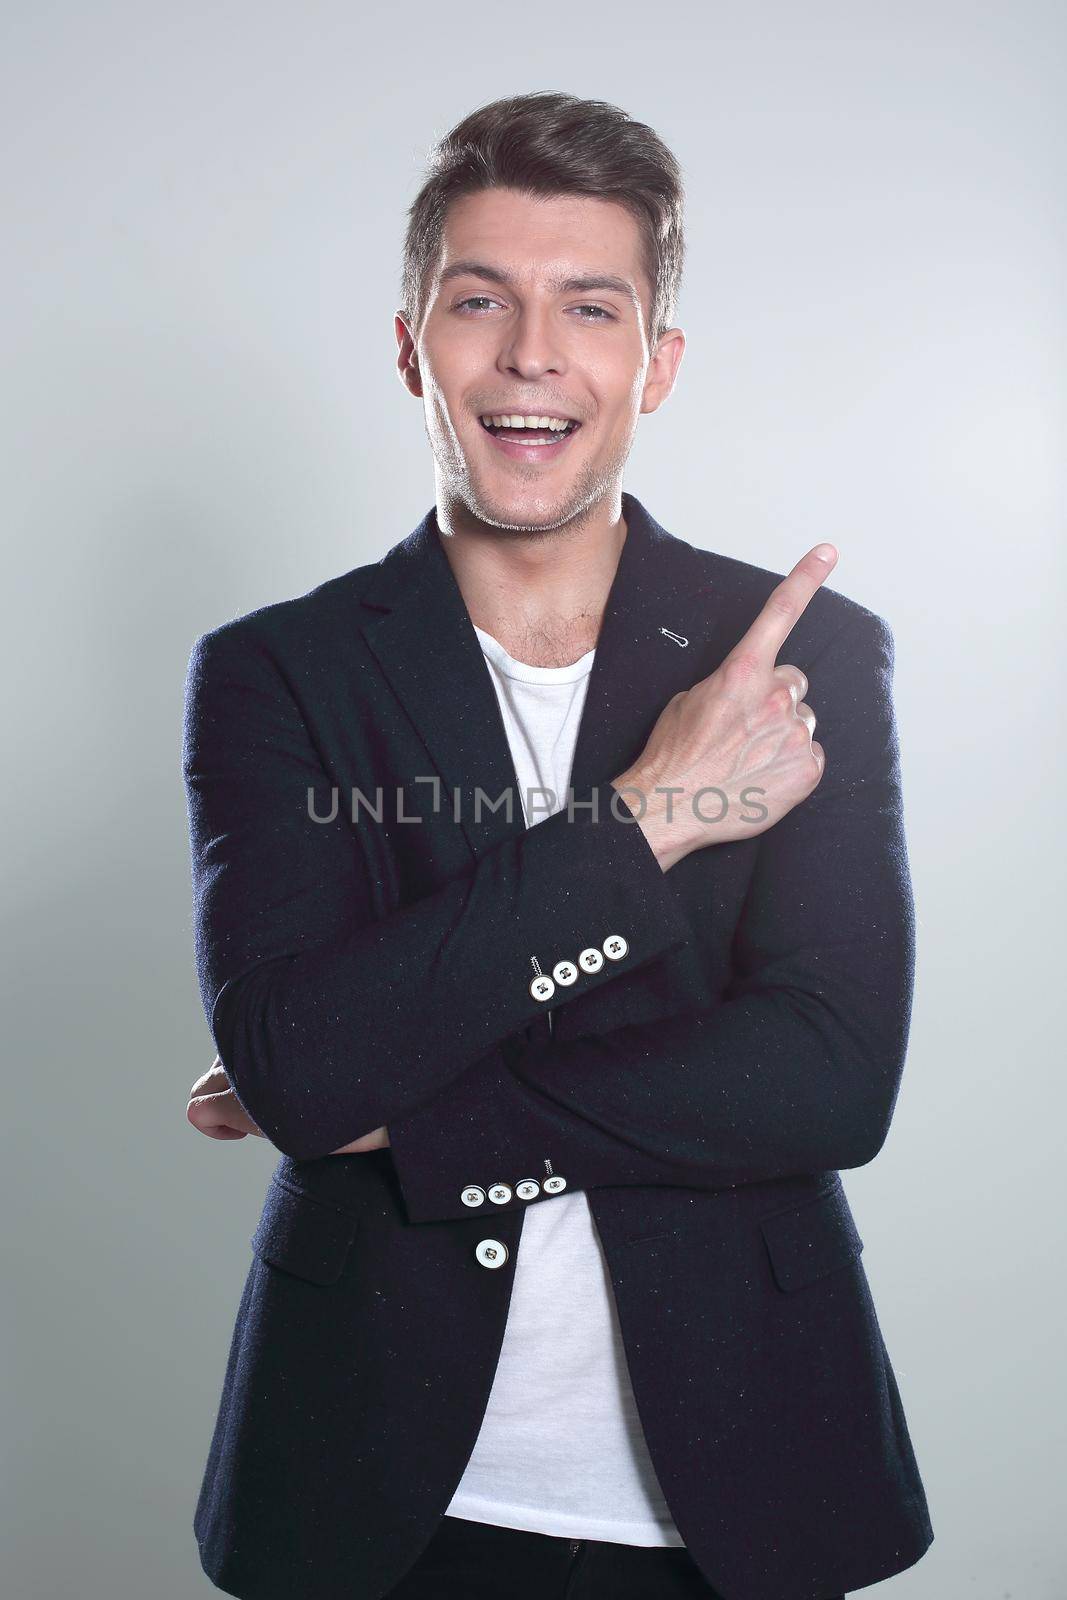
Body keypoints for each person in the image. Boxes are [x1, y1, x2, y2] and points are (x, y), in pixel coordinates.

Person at [182, 91, 934, 1600]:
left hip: (743, 1476)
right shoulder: (280, 670)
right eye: (480, 301)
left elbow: (830, 1077)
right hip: (373, 1478)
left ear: (652, 362)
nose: (532, 352)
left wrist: (422, 1117)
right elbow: (300, 1062)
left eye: (589, 306)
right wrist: (651, 819)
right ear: (412, 344)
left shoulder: (797, 657)